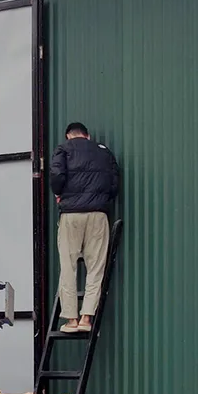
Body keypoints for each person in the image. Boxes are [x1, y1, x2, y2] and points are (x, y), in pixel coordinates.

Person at [49, 122, 120, 334]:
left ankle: (71, 320)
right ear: (87, 136)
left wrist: (59, 194)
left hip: (71, 215)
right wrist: (102, 200)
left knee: (68, 266)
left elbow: (57, 176)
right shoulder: (104, 152)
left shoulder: (63, 149)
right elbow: (114, 184)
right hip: (98, 214)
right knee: (96, 267)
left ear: (68, 136)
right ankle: (86, 318)